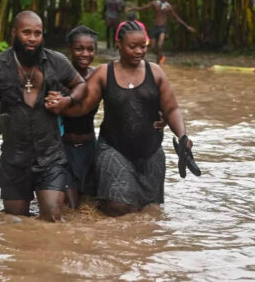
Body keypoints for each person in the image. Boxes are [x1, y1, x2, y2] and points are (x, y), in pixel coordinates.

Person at [53, 21, 197, 217]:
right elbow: (83, 107)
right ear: (119, 44)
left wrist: (182, 137)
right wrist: (57, 107)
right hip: (114, 148)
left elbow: (171, 109)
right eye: (133, 46)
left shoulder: (156, 72)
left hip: (151, 150)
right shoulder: (104, 72)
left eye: (143, 46)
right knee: (118, 208)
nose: (139, 51)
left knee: (150, 210)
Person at [0, 10, 86, 222]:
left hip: (50, 158)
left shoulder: (56, 61)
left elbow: (80, 84)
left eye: (37, 33)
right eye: (26, 32)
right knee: (15, 221)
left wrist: (67, 101)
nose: (32, 39)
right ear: (14, 33)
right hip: (14, 159)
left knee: (53, 216)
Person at [61, 26, 99, 208]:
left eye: (90, 49)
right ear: (69, 49)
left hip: (90, 148)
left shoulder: (98, 77)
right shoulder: (59, 76)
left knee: (91, 204)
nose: (85, 54)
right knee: (71, 207)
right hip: (63, 149)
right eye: (79, 49)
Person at [126, 0, 195, 64]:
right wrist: (131, 8)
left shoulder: (168, 7)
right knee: (152, 47)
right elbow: (143, 8)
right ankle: (161, 56)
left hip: (162, 27)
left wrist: (187, 26)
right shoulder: (155, 3)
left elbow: (176, 17)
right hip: (155, 27)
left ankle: (158, 64)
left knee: (159, 46)